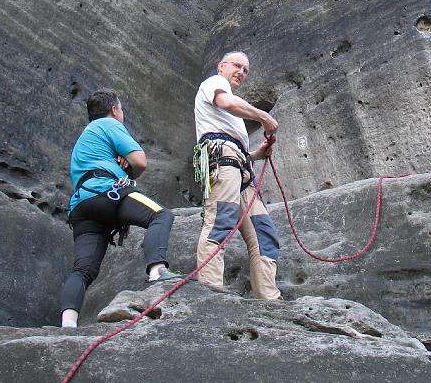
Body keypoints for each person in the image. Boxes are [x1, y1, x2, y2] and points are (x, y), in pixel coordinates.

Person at [60, 89, 177, 328]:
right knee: (161, 215)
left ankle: (68, 324)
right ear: (114, 110)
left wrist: (120, 160)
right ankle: (157, 270)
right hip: (107, 193)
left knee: (83, 269)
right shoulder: (108, 124)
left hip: (82, 207)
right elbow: (140, 161)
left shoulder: (86, 138)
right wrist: (129, 166)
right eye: (121, 109)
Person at [194, 51, 281, 299]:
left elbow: (231, 137)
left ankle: (268, 299)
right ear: (221, 67)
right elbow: (226, 103)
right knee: (221, 220)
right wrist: (264, 116)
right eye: (237, 66)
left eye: (246, 70)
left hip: (240, 169)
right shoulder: (214, 83)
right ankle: (211, 294)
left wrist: (255, 154)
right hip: (224, 163)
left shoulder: (232, 107)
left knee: (264, 234)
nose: (241, 72)